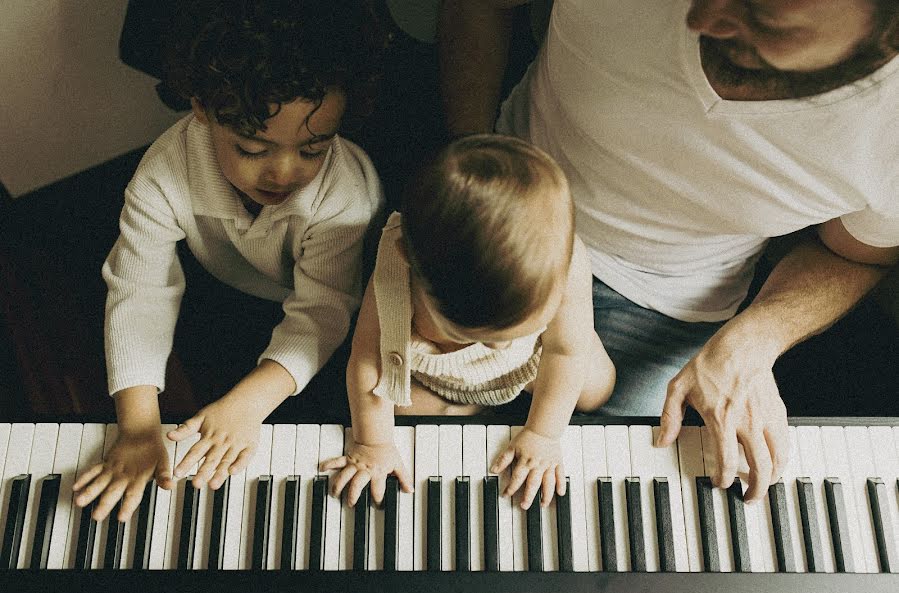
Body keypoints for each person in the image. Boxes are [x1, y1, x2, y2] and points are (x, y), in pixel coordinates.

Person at [438, 0, 899, 502]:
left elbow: (854, 253)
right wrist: (469, 163)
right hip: (500, 221)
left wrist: (754, 341)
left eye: (763, 18)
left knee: (616, 506)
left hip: (668, 311)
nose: (700, 20)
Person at [72, 0, 386, 522]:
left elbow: (324, 309)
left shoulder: (347, 194)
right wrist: (137, 425)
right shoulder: (163, 174)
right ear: (201, 108)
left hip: (335, 302)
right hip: (227, 282)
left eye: (313, 149)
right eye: (253, 148)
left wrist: (249, 405)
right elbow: (139, 289)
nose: (284, 174)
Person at [321, 134, 616, 510]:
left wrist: (543, 434)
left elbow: (564, 350)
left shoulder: (565, 262)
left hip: (536, 360)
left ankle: (518, 378)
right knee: (405, 414)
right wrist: (372, 443)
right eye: (467, 334)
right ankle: (464, 406)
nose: (500, 346)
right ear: (410, 262)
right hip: (443, 373)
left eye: (518, 329)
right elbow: (367, 359)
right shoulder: (396, 273)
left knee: (596, 387)